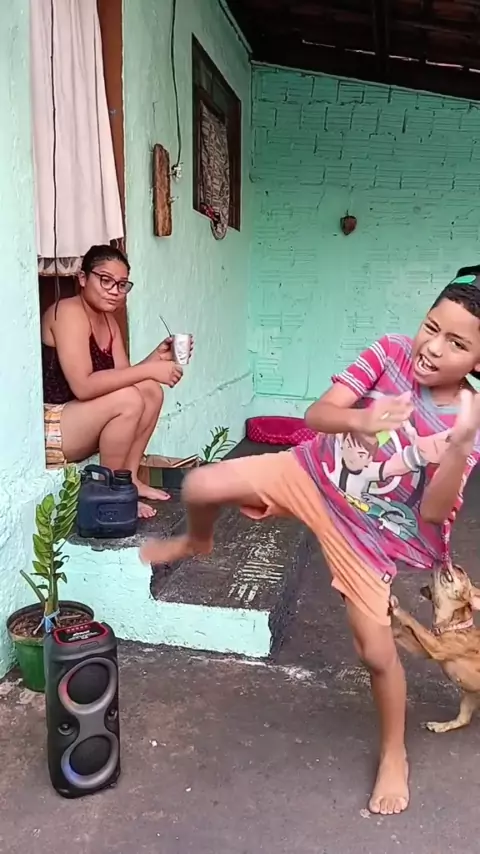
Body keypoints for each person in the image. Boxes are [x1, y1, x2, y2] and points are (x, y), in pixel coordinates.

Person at [140, 273, 480, 814]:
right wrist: (360, 417)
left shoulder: (468, 419)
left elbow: (436, 512)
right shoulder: (391, 352)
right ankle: (198, 542)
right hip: (308, 475)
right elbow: (317, 415)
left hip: (367, 536)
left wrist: (458, 446)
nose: (434, 347)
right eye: (431, 327)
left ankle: (395, 753)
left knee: (376, 654)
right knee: (201, 484)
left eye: (457, 343)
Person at [42, 244, 190, 518]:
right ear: (83, 278)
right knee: (129, 399)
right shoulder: (68, 312)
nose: (114, 290)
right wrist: (150, 369)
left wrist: (155, 359)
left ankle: (128, 480)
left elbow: (123, 378)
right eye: (105, 280)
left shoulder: (109, 322)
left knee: (150, 391)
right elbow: (84, 386)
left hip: (80, 419)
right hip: (53, 428)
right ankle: (110, 493)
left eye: (122, 285)